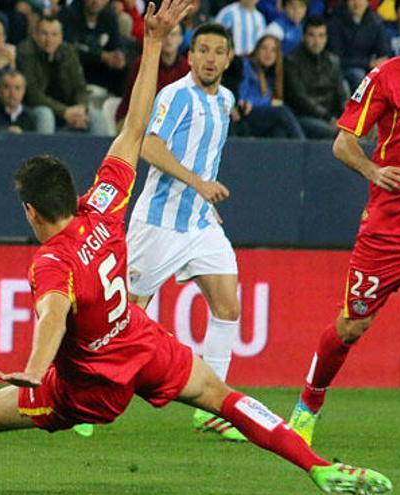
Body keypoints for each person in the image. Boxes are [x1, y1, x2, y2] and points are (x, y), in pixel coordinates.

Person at [0, 4, 393, 493]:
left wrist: (34, 369)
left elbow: (53, 313)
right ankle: (318, 467)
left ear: (30, 211)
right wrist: (153, 44)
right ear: (72, 194)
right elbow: (133, 130)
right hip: (144, 345)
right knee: (226, 399)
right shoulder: (103, 208)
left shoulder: (50, 259)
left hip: (85, 387)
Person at [126, 22, 245, 441]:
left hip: (198, 224)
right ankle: (84, 390)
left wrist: (205, 206)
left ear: (228, 59)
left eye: (218, 51)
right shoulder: (174, 96)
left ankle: (212, 410)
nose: (210, 58)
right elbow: (148, 147)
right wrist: (199, 185)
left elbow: (207, 158)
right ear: (190, 57)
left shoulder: (226, 99)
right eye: (203, 50)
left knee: (228, 306)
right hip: (157, 224)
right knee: (124, 317)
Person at [288, 55, 400, 449]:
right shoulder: (389, 75)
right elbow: (343, 143)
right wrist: (373, 171)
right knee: (351, 326)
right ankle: (308, 405)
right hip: (391, 230)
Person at [17, 15, 112, 135]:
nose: (49, 39)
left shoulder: (68, 52)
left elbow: (80, 87)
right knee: (45, 115)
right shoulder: (26, 51)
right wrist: (64, 112)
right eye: (44, 34)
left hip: (69, 108)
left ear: (61, 37)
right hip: (35, 107)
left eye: (54, 34)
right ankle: (43, 153)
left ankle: (101, 154)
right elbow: (33, 94)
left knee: (96, 116)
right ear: (35, 35)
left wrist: (80, 108)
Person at [284, 17, 347, 140]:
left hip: (331, 117)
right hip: (304, 117)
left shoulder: (333, 61)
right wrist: (329, 118)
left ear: (326, 38)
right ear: (303, 37)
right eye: (312, 35)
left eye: (321, 36)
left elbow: (341, 94)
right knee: (334, 133)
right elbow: (300, 98)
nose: (316, 41)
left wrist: (346, 119)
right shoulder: (291, 61)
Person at [114, 23, 187, 130]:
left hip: (171, 121)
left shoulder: (187, 69)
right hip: (134, 119)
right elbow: (135, 101)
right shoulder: (143, 63)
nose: (169, 39)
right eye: (165, 34)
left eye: (173, 35)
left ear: (181, 39)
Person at [236, 33, 305, 139]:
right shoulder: (246, 66)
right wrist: (268, 102)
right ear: (257, 50)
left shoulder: (274, 74)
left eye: (273, 50)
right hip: (248, 115)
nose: (268, 53)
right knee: (281, 111)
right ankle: (304, 149)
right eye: (264, 48)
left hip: (265, 116)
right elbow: (242, 99)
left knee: (279, 131)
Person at [327, 0, 390, 89]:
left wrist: (378, 62)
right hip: (344, 69)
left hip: (369, 68)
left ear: (367, 2)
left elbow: (384, 52)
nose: (357, 3)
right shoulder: (336, 21)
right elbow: (336, 59)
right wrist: (367, 63)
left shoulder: (376, 21)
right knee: (358, 75)